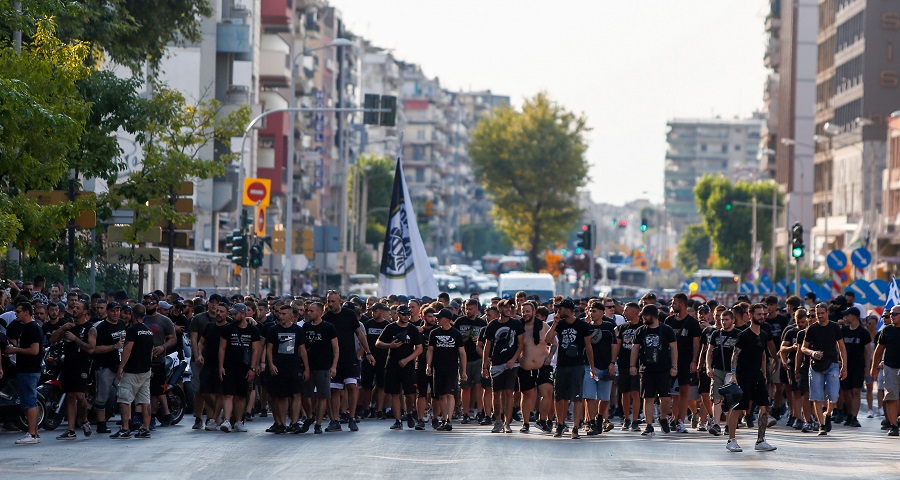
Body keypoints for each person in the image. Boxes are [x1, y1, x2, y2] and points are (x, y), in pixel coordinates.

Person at [725, 303, 777, 452]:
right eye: (759, 314)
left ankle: (760, 441)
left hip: (757, 376)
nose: (762, 317)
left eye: (764, 314)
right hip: (743, 376)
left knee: (765, 406)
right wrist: (733, 374)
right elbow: (735, 355)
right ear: (751, 315)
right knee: (738, 408)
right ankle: (731, 440)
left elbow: (763, 355)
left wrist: (765, 375)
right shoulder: (744, 335)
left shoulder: (764, 334)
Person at [322, 290, 375, 433]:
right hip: (333, 359)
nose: (330, 304)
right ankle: (335, 420)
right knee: (334, 389)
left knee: (352, 386)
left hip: (350, 357)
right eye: (328, 301)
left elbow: (360, 334)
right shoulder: (326, 318)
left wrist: (368, 352)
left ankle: (351, 417)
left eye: (333, 301)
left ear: (340, 301)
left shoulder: (349, 314)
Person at [545, 298, 595, 439]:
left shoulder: (582, 325)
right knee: (559, 397)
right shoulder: (559, 324)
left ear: (567, 309)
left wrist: (592, 366)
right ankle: (560, 424)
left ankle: (575, 427)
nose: (558, 311)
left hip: (577, 365)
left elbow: (588, 347)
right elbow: (547, 339)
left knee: (577, 398)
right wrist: (555, 323)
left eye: (560, 308)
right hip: (562, 365)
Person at [50, 297, 96, 440]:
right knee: (70, 396)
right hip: (68, 364)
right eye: (74, 307)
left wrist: (75, 339)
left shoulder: (90, 328)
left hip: (82, 364)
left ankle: (84, 420)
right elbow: (52, 340)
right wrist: (62, 328)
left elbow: (91, 349)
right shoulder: (68, 326)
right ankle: (71, 430)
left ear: (85, 312)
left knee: (80, 397)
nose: (74, 310)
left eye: (78, 308)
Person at [630, 304, 677, 436]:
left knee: (665, 398)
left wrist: (674, 366)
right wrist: (632, 365)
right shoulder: (640, 331)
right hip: (646, 369)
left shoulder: (666, 330)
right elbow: (635, 349)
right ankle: (649, 425)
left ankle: (663, 418)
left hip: (663, 369)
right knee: (648, 397)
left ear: (653, 315)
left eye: (646, 315)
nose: (643, 318)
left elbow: (674, 348)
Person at [801, 302, 847, 436]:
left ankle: (827, 414)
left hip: (832, 364)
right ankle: (821, 425)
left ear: (827, 313)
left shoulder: (834, 327)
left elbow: (841, 347)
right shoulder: (812, 329)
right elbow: (803, 347)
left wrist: (844, 366)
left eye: (822, 313)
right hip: (816, 366)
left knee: (834, 396)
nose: (820, 316)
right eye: (817, 314)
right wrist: (812, 353)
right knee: (817, 397)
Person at [110, 303, 155, 439]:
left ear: (133, 315)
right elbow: (151, 351)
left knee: (124, 399)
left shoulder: (132, 330)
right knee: (145, 400)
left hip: (132, 371)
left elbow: (128, 349)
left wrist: (121, 367)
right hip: (145, 371)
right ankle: (145, 428)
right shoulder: (149, 331)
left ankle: (125, 429)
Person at [481, 298, 525, 434]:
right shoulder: (493, 325)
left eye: (509, 307)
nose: (508, 309)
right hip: (496, 362)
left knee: (508, 392)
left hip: (512, 363)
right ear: (499, 309)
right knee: (496, 392)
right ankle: (498, 421)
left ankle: (507, 422)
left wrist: (513, 359)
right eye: (505, 307)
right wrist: (484, 365)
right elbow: (487, 345)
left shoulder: (516, 324)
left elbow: (521, 344)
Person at [376, 305, 423, 430]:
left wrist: (407, 360)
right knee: (394, 393)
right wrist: (389, 345)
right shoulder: (390, 328)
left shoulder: (412, 329)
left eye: (408, 314)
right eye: (404, 314)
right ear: (397, 314)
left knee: (410, 393)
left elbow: (419, 348)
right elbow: (378, 343)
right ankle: (398, 420)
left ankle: (408, 413)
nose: (406, 316)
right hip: (392, 364)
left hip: (408, 366)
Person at [266, 303, 310, 434]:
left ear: (291, 316)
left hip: (294, 366)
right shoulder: (274, 330)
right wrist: (270, 364)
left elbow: (302, 349)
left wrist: (306, 368)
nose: (281, 316)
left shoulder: (298, 330)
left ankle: (294, 422)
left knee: (296, 394)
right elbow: (269, 348)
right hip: (279, 366)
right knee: (281, 396)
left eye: (284, 314)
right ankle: (282, 424)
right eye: (280, 313)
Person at [3, 302, 44, 444]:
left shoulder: (32, 328)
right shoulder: (26, 328)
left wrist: (15, 350)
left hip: (29, 370)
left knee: (29, 401)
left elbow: (34, 350)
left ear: (27, 312)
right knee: (27, 401)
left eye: (19, 311)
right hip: (25, 369)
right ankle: (35, 432)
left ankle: (31, 433)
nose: (16, 314)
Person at [217, 304, 261, 433]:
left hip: (244, 368)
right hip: (229, 366)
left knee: (241, 396)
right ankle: (226, 420)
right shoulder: (228, 329)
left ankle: (238, 421)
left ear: (243, 314)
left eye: (235, 314)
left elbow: (255, 350)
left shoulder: (253, 330)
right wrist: (221, 366)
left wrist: (252, 368)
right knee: (228, 394)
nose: (233, 315)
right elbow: (222, 348)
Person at [665, 293, 701, 434]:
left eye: (675, 302)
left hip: (686, 361)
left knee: (684, 391)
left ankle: (681, 421)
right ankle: (671, 419)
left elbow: (696, 343)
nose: (672, 305)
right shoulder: (669, 321)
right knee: (671, 393)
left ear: (682, 304)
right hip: (670, 361)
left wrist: (694, 361)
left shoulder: (692, 322)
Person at [425, 308, 466, 431]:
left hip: (451, 368)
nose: (437, 319)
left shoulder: (456, 333)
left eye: (439, 317)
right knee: (441, 395)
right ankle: (443, 418)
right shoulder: (434, 333)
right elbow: (430, 350)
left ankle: (449, 420)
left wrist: (463, 371)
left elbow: (462, 353)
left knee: (450, 394)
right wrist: (428, 365)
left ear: (447, 319)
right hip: (438, 368)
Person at [301, 302, 339, 434]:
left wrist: (333, 366)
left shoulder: (328, 327)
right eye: (308, 311)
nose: (308, 313)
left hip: (323, 367)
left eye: (311, 311)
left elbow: (335, 348)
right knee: (305, 395)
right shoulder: (305, 327)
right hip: (308, 366)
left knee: (323, 396)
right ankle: (310, 416)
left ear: (319, 313)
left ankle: (318, 423)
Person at [516, 301, 552, 433]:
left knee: (547, 392)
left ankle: (542, 420)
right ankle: (525, 423)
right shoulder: (518, 327)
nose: (525, 314)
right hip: (525, 366)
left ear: (534, 313)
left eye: (528, 311)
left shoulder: (544, 326)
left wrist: (549, 357)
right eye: (523, 311)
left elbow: (554, 343)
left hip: (543, 365)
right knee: (527, 395)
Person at [142, 294, 176, 428]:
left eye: (151, 303)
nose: (148, 305)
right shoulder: (140, 319)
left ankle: (152, 417)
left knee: (156, 392)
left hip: (158, 361)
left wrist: (163, 347)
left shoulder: (164, 320)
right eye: (146, 302)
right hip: (141, 362)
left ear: (157, 304)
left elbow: (173, 339)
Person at [92, 301, 127, 434]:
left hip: (119, 365)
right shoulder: (101, 328)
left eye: (118, 310)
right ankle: (101, 423)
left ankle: (126, 423)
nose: (116, 313)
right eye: (113, 311)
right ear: (107, 312)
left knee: (124, 394)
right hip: (104, 366)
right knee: (102, 396)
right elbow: (95, 348)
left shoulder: (122, 324)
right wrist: (113, 346)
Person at [584, 299, 617, 435]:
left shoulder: (609, 327)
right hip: (589, 366)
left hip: (605, 366)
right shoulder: (586, 327)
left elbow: (614, 346)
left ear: (602, 312)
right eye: (590, 310)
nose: (592, 313)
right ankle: (592, 423)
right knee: (589, 396)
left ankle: (599, 418)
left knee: (604, 397)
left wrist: (612, 363)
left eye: (595, 311)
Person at [188, 294, 221, 429]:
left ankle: (212, 417)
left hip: (216, 360)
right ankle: (198, 418)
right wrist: (197, 356)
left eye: (217, 303)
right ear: (208, 304)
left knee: (212, 390)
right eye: (212, 302)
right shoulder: (198, 319)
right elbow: (194, 340)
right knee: (200, 390)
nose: (214, 305)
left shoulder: (225, 320)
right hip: (200, 359)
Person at [706, 309, 740, 436]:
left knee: (731, 399)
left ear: (732, 320)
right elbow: (709, 352)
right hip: (718, 369)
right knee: (716, 397)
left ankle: (728, 425)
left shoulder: (738, 334)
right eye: (722, 320)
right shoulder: (716, 334)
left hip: (732, 371)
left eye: (726, 320)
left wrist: (736, 372)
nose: (724, 322)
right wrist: (708, 367)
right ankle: (716, 424)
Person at [455, 299, 487, 425]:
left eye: (470, 309)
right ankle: (466, 413)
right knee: (465, 387)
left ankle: (480, 412)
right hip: (464, 359)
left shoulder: (481, 323)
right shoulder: (459, 322)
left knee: (479, 386)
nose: (468, 311)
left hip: (478, 358)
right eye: (466, 309)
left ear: (476, 309)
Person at [198, 303, 229, 430]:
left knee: (220, 392)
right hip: (208, 363)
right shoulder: (209, 326)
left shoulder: (230, 327)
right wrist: (199, 354)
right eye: (217, 311)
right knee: (204, 391)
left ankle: (214, 419)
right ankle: (219, 411)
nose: (219, 314)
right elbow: (201, 342)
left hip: (223, 365)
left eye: (222, 311)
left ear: (227, 313)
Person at [839, 307, 871, 428]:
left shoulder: (863, 332)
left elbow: (867, 351)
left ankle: (854, 417)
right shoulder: (844, 330)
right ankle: (849, 413)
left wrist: (867, 368)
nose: (845, 318)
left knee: (856, 391)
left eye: (847, 315)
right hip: (845, 365)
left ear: (854, 316)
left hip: (858, 366)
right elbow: (838, 346)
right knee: (846, 391)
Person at [871, 305, 900, 437]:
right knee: (891, 397)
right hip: (890, 367)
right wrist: (874, 367)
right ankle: (893, 425)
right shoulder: (887, 331)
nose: (891, 317)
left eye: (894, 314)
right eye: (890, 314)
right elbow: (879, 350)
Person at [615, 302, 642, 431]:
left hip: (638, 364)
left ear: (634, 312)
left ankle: (635, 420)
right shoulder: (622, 327)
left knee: (636, 392)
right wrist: (612, 361)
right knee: (624, 392)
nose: (624, 313)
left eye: (626, 311)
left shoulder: (642, 327)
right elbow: (618, 345)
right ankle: (626, 419)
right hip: (623, 363)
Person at [360, 303, 390, 419]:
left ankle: (379, 410)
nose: (373, 313)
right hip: (369, 358)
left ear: (381, 311)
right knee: (366, 385)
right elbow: (363, 341)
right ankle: (367, 409)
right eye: (372, 311)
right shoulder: (368, 324)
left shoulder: (387, 326)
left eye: (375, 311)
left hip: (383, 359)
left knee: (381, 385)